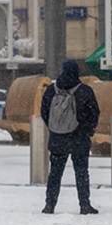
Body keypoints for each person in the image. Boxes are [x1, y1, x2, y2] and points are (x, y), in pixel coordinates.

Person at [41, 59, 100, 215]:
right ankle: (85, 205)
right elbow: (94, 113)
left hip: (57, 139)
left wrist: (55, 128)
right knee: (81, 172)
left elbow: (44, 111)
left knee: (55, 173)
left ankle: (50, 205)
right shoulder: (84, 90)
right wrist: (87, 131)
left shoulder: (52, 90)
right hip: (79, 138)